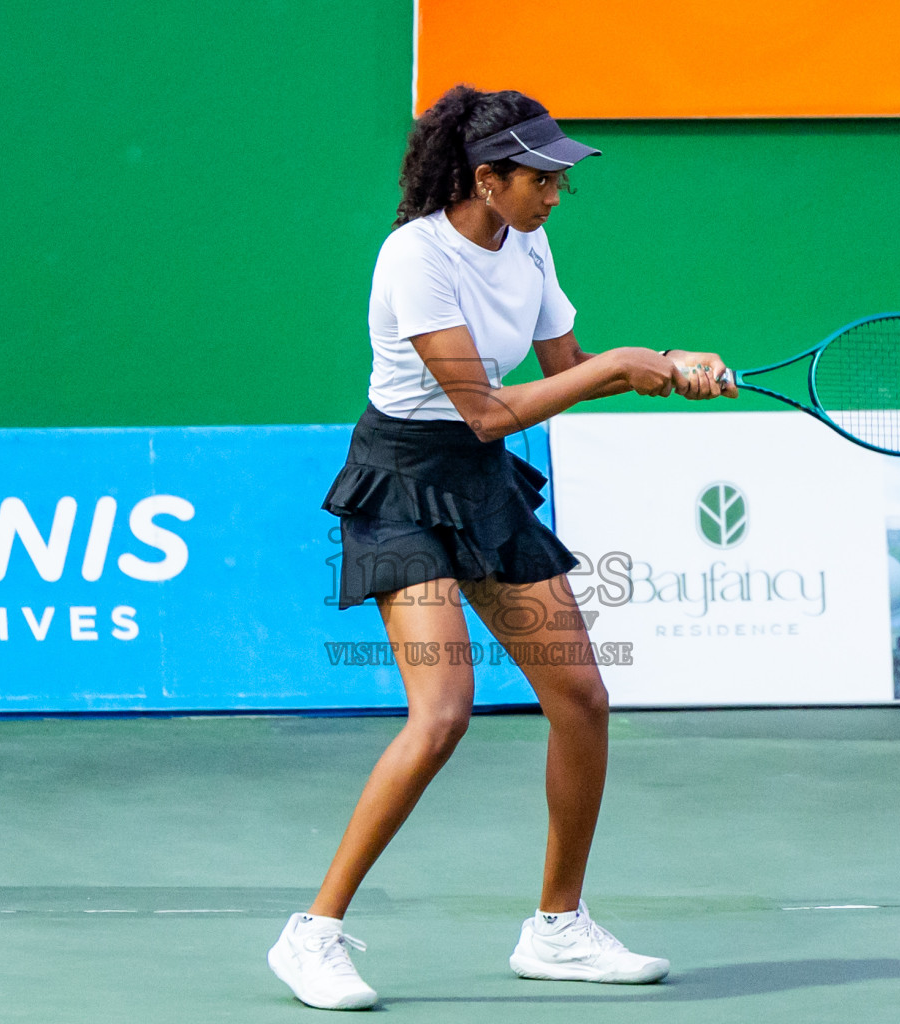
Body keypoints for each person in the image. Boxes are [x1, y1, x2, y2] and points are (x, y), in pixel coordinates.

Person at [267, 84, 738, 1011]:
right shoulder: (416, 258)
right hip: (402, 481)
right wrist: (616, 365)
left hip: (478, 485)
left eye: (560, 180)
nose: (555, 195)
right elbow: (485, 412)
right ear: (486, 178)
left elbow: (566, 373)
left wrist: (670, 372)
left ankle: (558, 928)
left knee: (581, 698)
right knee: (442, 714)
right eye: (541, 179)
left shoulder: (529, 244)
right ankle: (311, 935)